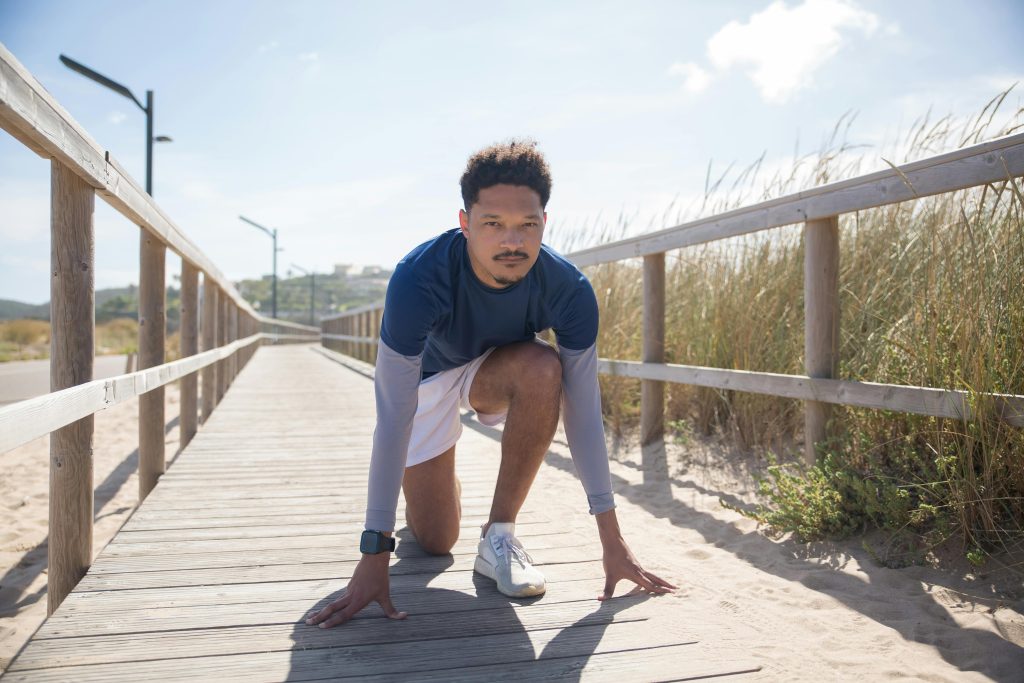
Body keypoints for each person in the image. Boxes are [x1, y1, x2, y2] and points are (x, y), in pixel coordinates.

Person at [306, 139, 676, 629]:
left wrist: (612, 539)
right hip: (430, 381)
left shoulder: (568, 289)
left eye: (528, 225)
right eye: (493, 225)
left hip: (500, 369)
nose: (512, 242)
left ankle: (499, 535)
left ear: (546, 221)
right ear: (465, 224)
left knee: (545, 367)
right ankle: (438, 477)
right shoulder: (418, 279)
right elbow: (393, 416)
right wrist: (374, 551)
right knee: (436, 541)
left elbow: (583, 411)